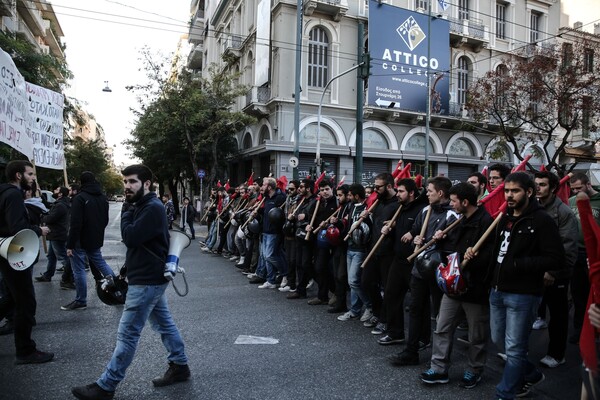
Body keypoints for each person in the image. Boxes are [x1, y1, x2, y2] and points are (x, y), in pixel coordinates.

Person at [72, 164, 190, 400]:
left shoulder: (152, 207)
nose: (127, 186)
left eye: (132, 182)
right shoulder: (144, 205)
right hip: (148, 278)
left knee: (127, 335)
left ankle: (106, 386)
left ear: (146, 184)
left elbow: (131, 237)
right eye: (125, 182)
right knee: (164, 325)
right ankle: (180, 366)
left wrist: (126, 211)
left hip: (146, 281)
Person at [489, 172, 565, 399]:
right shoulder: (505, 217)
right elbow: (497, 251)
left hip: (523, 294)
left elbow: (556, 259)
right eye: (507, 191)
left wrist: (519, 264)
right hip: (498, 290)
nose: (509, 195)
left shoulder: (541, 220)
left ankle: (506, 392)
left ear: (528, 192)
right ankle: (530, 374)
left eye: (515, 191)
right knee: (498, 339)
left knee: (514, 348)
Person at [420, 183, 494, 389]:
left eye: (454, 201)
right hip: (453, 284)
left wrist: (476, 257)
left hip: (475, 287)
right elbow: (451, 252)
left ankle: (474, 369)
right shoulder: (460, 221)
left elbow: (491, 258)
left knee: (476, 335)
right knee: (443, 326)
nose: (451, 205)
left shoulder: (487, 223)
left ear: (465, 202)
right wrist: (442, 241)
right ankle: (439, 368)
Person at [390, 176, 458, 366]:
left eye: (429, 191)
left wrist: (442, 241)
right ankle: (411, 351)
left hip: (438, 271)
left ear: (441, 193)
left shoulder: (453, 216)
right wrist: (416, 239)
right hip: (419, 268)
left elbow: (455, 247)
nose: (426, 194)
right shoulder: (425, 211)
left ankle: (440, 358)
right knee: (414, 308)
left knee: (439, 316)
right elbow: (416, 232)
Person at [0, 160, 52, 364]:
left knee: (13, 298)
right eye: (30, 174)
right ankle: (25, 351)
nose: (33, 178)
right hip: (14, 251)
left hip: (5, 251)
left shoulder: (3, 192)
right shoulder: (13, 194)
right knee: (25, 301)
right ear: (18, 176)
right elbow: (17, 227)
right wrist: (39, 230)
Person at [533, 171, 578, 367]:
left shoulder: (564, 213)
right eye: (535, 184)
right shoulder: (532, 208)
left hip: (555, 275)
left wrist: (553, 273)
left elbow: (567, 248)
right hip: (535, 271)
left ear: (553, 188)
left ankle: (557, 354)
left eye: (542, 185)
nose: (537, 188)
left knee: (558, 315)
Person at [378, 178, 427, 345]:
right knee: (391, 294)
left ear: (411, 193)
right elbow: (398, 234)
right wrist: (390, 230)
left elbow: (425, 231)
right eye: (397, 191)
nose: (397, 194)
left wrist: (414, 234)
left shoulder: (422, 209)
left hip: (414, 261)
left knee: (417, 303)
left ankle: (422, 337)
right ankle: (395, 332)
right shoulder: (400, 208)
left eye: (401, 191)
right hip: (398, 260)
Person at [63, 171, 115, 311]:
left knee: (78, 270)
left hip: (79, 240)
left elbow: (75, 224)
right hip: (95, 238)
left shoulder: (80, 198)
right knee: (100, 263)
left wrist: (70, 244)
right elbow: (105, 220)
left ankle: (81, 300)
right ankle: (117, 288)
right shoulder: (103, 198)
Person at [569, 172, 600, 345]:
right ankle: (579, 330)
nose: (575, 192)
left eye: (578, 188)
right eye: (572, 189)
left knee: (595, 295)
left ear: (588, 185)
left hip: (594, 255)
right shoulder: (572, 201)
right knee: (578, 295)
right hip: (577, 252)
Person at [36, 187, 71, 282]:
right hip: (56, 234)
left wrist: (42, 217)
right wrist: (41, 194)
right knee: (51, 256)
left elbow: (51, 218)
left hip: (57, 234)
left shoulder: (60, 205)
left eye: (56, 190)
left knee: (63, 257)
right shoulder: (61, 203)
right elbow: (48, 205)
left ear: (60, 194)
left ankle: (70, 278)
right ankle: (48, 275)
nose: (54, 191)